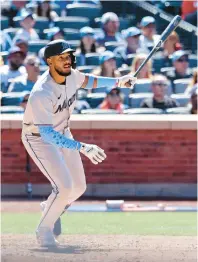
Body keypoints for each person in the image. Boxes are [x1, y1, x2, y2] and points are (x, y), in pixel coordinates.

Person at [21, 39, 137, 247]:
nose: (67, 61)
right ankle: (44, 231)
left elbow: (90, 81)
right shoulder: (41, 92)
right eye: (62, 57)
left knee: (78, 187)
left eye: (69, 57)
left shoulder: (72, 75)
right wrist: (82, 147)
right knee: (64, 187)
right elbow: (47, 134)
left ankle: (49, 206)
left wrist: (119, 81)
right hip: (39, 138)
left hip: (63, 132)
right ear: (49, 61)